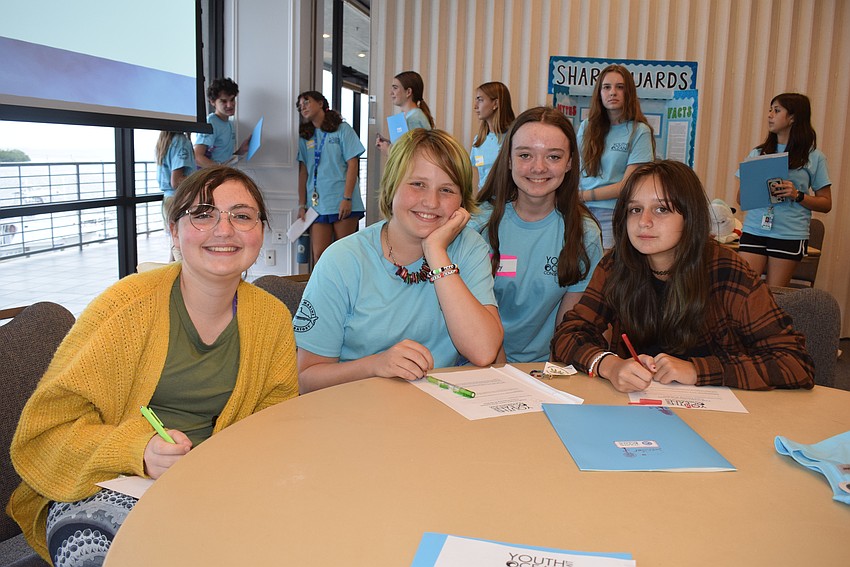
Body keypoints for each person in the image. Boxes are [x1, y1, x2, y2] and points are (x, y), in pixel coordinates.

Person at [8, 166, 299, 565]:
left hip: (216, 483)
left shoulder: (271, 318)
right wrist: (138, 449)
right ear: (174, 230)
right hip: (104, 483)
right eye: (202, 214)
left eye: (242, 215)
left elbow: (275, 422)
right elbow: (46, 433)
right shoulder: (124, 307)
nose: (224, 229)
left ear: (261, 230)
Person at [551, 160, 814, 392]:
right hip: (639, 410)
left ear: (690, 217)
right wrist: (609, 365)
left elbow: (794, 362)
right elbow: (569, 334)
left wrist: (697, 370)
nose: (644, 221)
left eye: (662, 209)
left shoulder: (727, 270)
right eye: (634, 209)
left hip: (721, 420)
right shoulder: (619, 263)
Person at [295, 129, 503, 393]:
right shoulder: (342, 260)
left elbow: (484, 351)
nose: (431, 202)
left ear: (462, 201)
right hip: (355, 412)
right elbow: (307, 380)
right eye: (418, 184)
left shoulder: (469, 247)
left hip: (439, 413)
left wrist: (436, 252)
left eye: (447, 189)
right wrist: (376, 365)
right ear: (392, 185)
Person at [471, 107, 602, 363]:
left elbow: (568, 326)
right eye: (525, 155)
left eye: (553, 157)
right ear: (508, 159)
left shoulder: (584, 233)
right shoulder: (477, 225)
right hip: (476, 362)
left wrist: (549, 377)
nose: (538, 167)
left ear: (570, 163)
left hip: (545, 368)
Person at [735, 92, 832, 287]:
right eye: (770, 110)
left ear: (793, 118)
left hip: (789, 234)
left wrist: (797, 195)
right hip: (754, 229)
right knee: (745, 291)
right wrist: (757, 188)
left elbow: (826, 203)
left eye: (776, 110)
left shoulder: (814, 157)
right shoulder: (758, 152)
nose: (770, 115)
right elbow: (740, 199)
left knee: (774, 295)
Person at [577, 64, 655, 248]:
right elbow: (574, 171)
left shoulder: (639, 131)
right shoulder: (586, 126)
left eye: (620, 87)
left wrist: (583, 196)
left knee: (604, 271)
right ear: (599, 93)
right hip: (579, 211)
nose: (613, 92)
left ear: (629, 93)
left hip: (612, 214)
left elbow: (629, 185)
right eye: (607, 87)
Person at [296, 91, 366, 263]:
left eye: (306, 102)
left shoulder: (342, 130)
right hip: (318, 204)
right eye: (299, 105)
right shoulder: (306, 137)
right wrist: (301, 204)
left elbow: (353, 164)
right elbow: (303, 172)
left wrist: (347, 198)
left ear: (321, 103)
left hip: (342, 200)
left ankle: (348, 289)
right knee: (320, 255)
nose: (302, 107)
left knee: (344, 254)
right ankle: (323, 290)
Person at [193, 78, 251, 167]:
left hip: (222, 175)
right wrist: (221, 170)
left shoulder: (230, 124)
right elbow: (197, 157)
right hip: (211, 177)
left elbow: (224, 161)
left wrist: (241, 151)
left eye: (232, 100)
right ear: (213, 102)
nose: (230, 105)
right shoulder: (210, 123)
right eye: (224, 101)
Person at [155, 131, 196, 260]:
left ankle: (169, 279)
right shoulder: (180, 141)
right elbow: (176, 180)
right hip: (179, 199)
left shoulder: (166, 141)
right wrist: (200, 181)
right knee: (181, 252)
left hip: (168, 199)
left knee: (175, 247)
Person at [375, 71, 435, 154]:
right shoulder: (413, 116)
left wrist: (389, 150)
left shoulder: (413, 119)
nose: (391, 93)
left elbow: (413, 155)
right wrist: (390, 144)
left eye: (395, 88)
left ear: (408, 92)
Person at [470, 81, 515, 189]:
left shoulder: (514, 138)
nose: (475, 106)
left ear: (495, 104)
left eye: (480, 100)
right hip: (484, 202)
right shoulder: (478, 140)